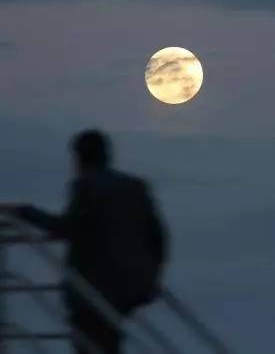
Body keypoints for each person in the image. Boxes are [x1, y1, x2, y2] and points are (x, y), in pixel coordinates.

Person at [13, 129, 168, 354]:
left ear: (79, 158)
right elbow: (159, 238)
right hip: (132, 288)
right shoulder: (136, 187)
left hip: (94, 290)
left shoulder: (86, 186)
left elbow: (67, 227)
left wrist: (25, 212)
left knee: (91, 342)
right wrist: (153, 276)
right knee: (109, 340)